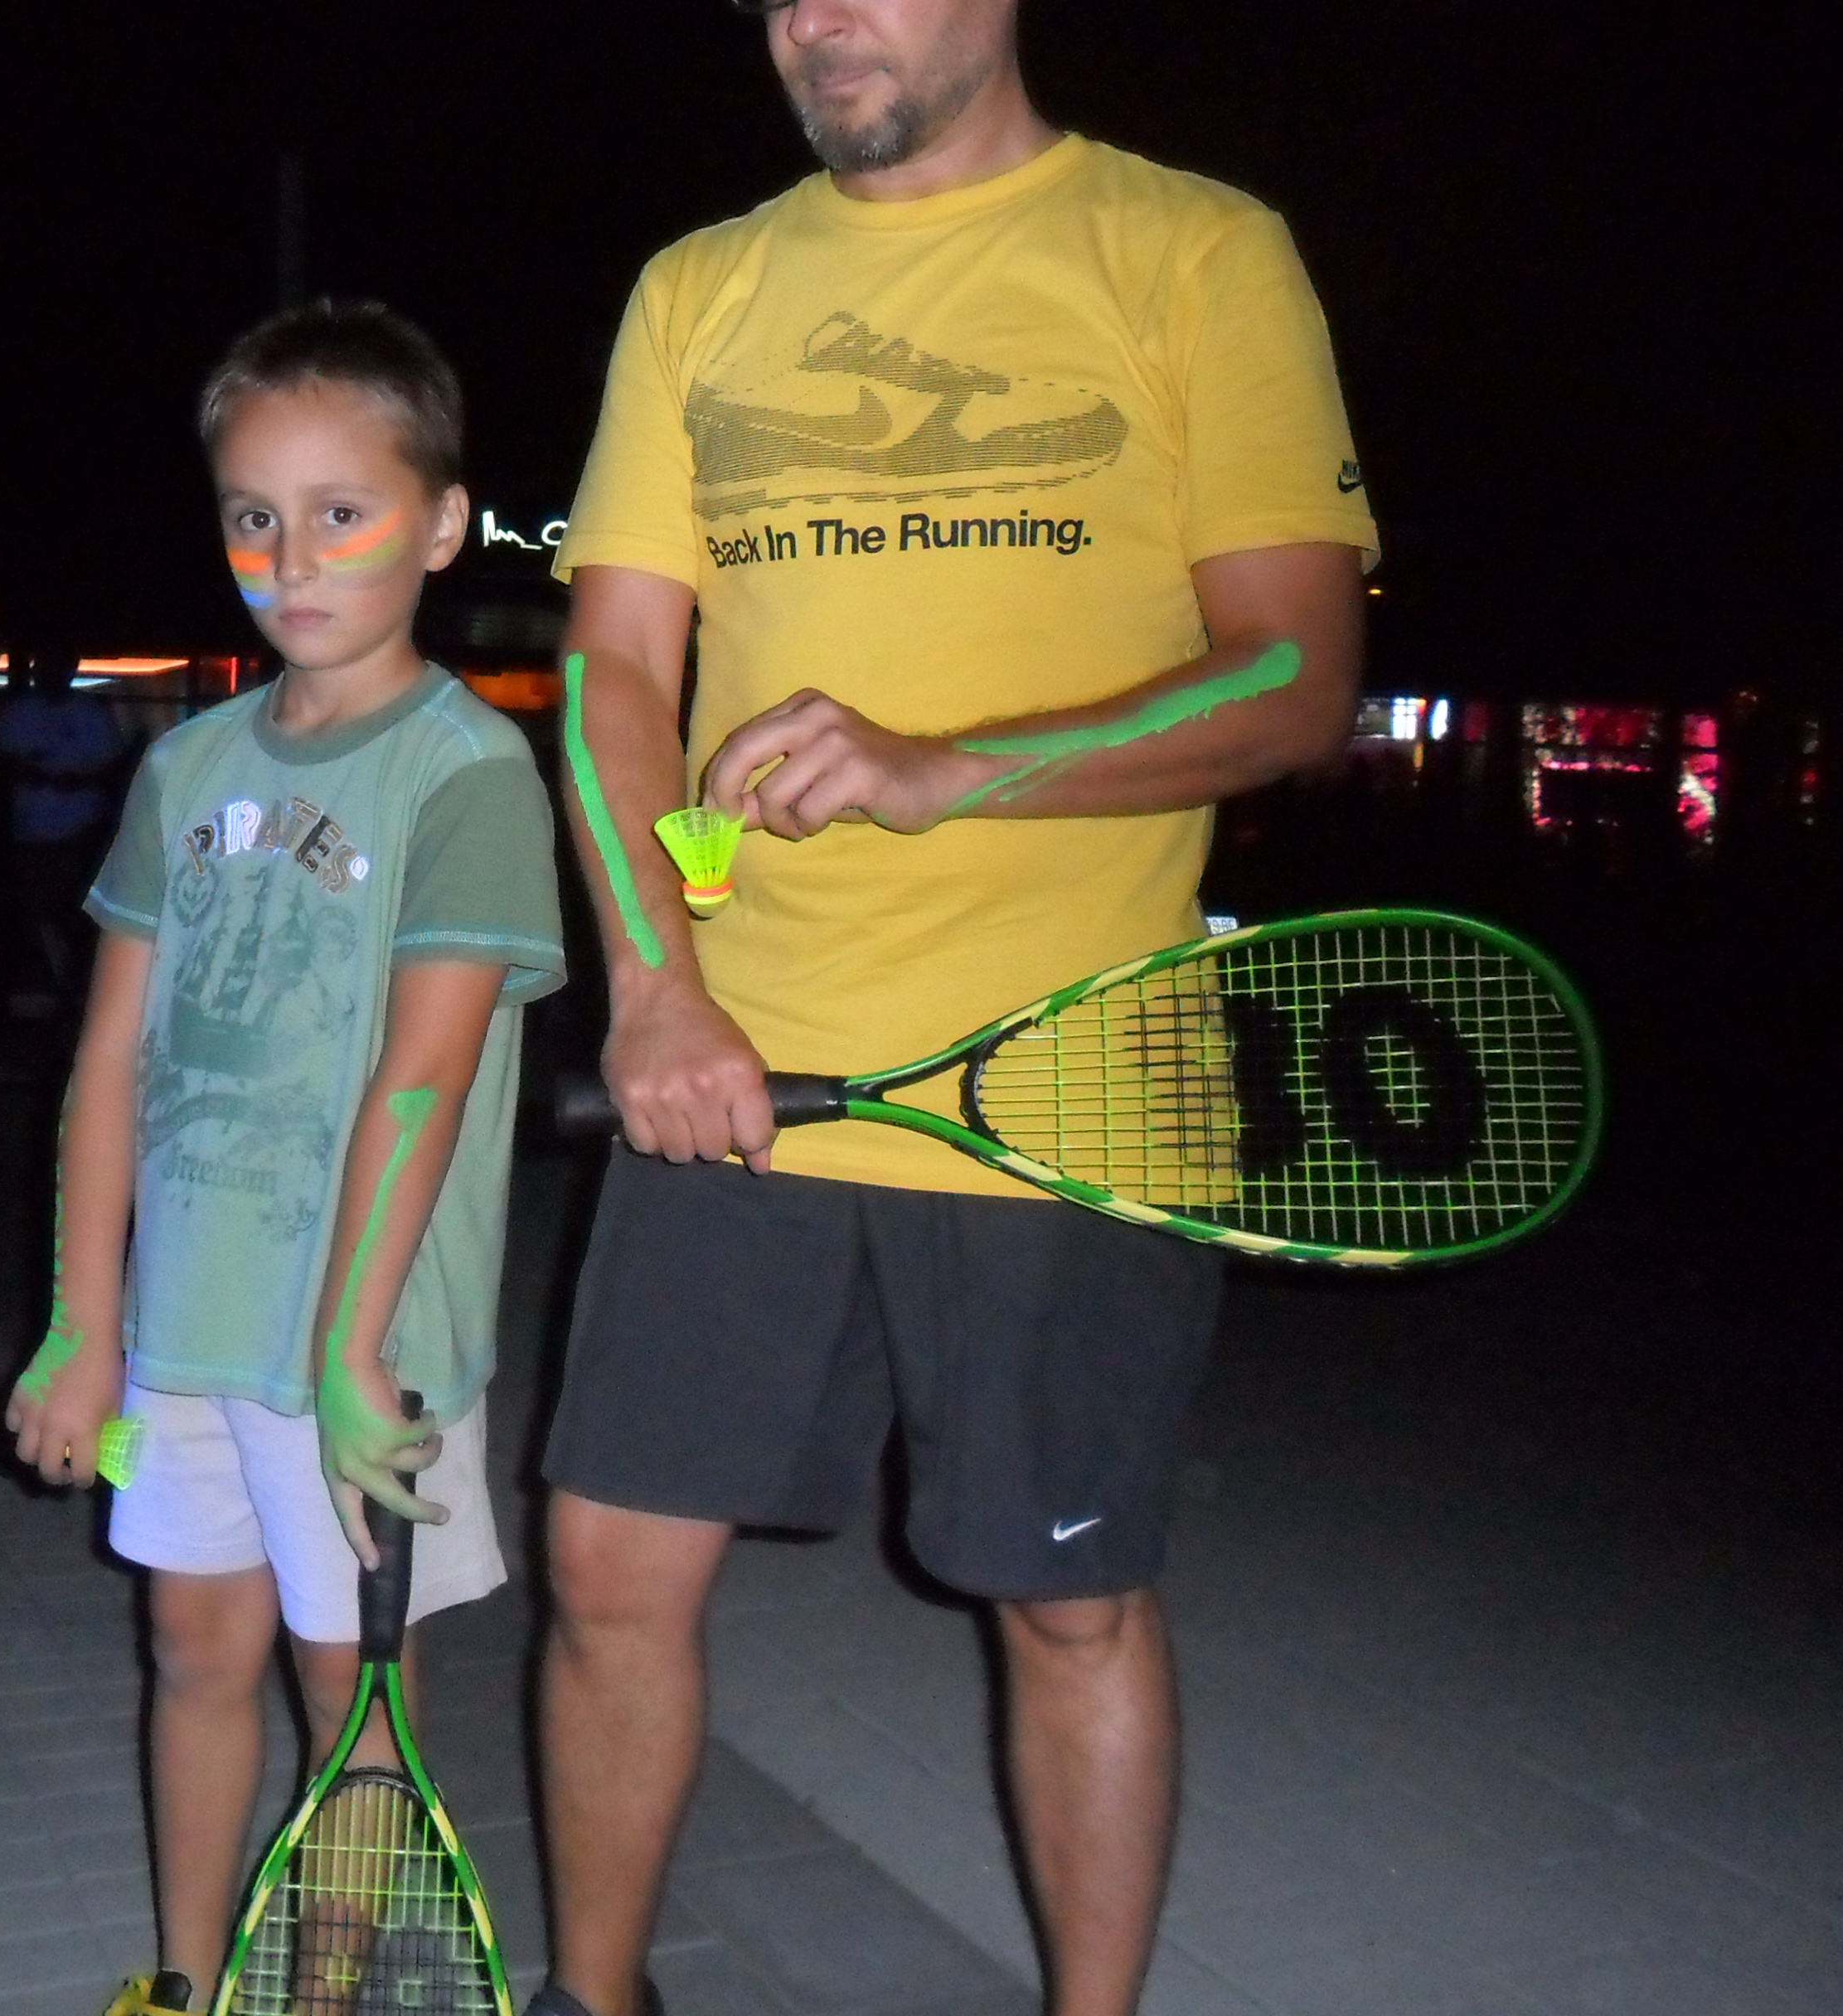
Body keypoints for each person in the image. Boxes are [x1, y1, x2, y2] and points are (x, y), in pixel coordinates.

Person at [531, 5, 1377, 2014]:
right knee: (605, 1569)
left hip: (1066, 1079)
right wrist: (655, 985)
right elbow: (613, 671)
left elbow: (1294, 670)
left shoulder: (1193, 250)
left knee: (1069, 1603)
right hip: (741, 1061)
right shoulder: (699, 286)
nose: (816, 21)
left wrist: (955, 765)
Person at [2, 300, 566, 2016]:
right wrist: (79, 1322)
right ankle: (185, 1986)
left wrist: (345, 1348)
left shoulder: (468, 770)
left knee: (347, 1697)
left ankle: (316, 2001)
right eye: (254, 514)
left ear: (442, 523)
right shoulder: (183, 766)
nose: (292, 557)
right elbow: (109, 1060)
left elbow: (423, 1076)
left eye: (341, 510)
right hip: (184, 1322)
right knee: (192, 1648)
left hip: (356, 1347)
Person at [0, 651, 124, 1016]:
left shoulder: (90, 714)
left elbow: (113, 769)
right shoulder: (20, 713)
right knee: (35, 912)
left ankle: (74, 989)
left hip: (81, 833)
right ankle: (44, 983)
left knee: (72, 913)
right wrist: (32, 773)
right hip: (29, 834)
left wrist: (78, 780)